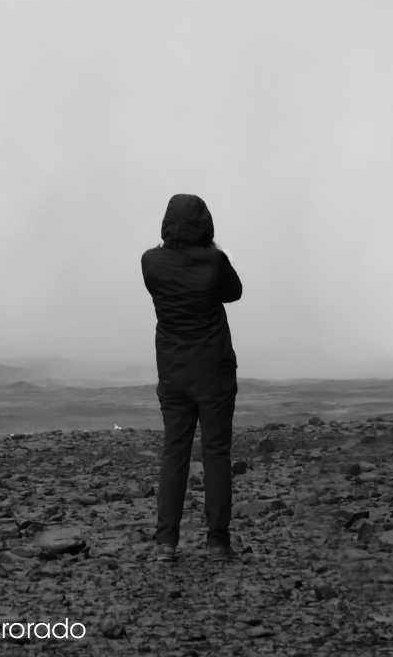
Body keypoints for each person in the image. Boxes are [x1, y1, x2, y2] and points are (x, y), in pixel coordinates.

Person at [140, 192, 242, 563]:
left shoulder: (150, 261)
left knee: (175, 452)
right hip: (213, 370)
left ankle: (166, 543)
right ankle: (217, 542)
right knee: (215, 453)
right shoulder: (215, 262)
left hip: (173, 371)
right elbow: (235, 293)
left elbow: (162, 280)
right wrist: (211, 252)